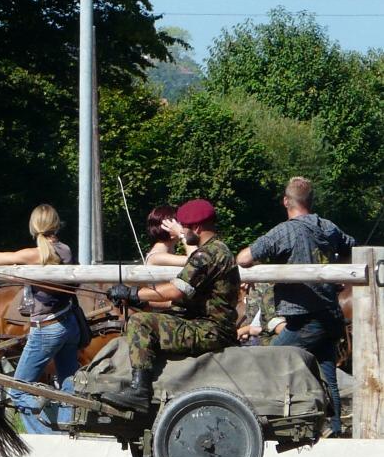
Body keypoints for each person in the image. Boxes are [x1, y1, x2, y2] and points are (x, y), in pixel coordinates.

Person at [236, 177, 355, 436]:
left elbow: (243, 258)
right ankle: (334, 430)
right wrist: (341, 275)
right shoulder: (328, 227)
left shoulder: (285, 231)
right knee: (328, 375)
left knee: (268, 360)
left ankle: (260, 426)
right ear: (311, 201)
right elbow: (351, 247)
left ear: (285, 201)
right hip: (330, 315)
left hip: (305, 319)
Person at [103, 199, 240, 413]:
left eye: (184, 227)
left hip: (210, 329)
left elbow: (176, 290)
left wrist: (133, 292)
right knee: (147, 316)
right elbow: (180, 298)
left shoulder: (207, 255)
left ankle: (140, 391)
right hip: (208, 325)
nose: (181, 232)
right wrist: (141, 300)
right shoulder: (217, 250)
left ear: (196, 228)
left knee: (140, 322)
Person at [0, 204, 80, 434]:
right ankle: (65, 435)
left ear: (33, 227)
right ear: (56, 225)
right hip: (69, 324)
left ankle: (46, 436)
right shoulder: (66, 250)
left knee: (18, 390)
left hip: (46, 328)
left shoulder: (33, 254)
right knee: (68, 388)